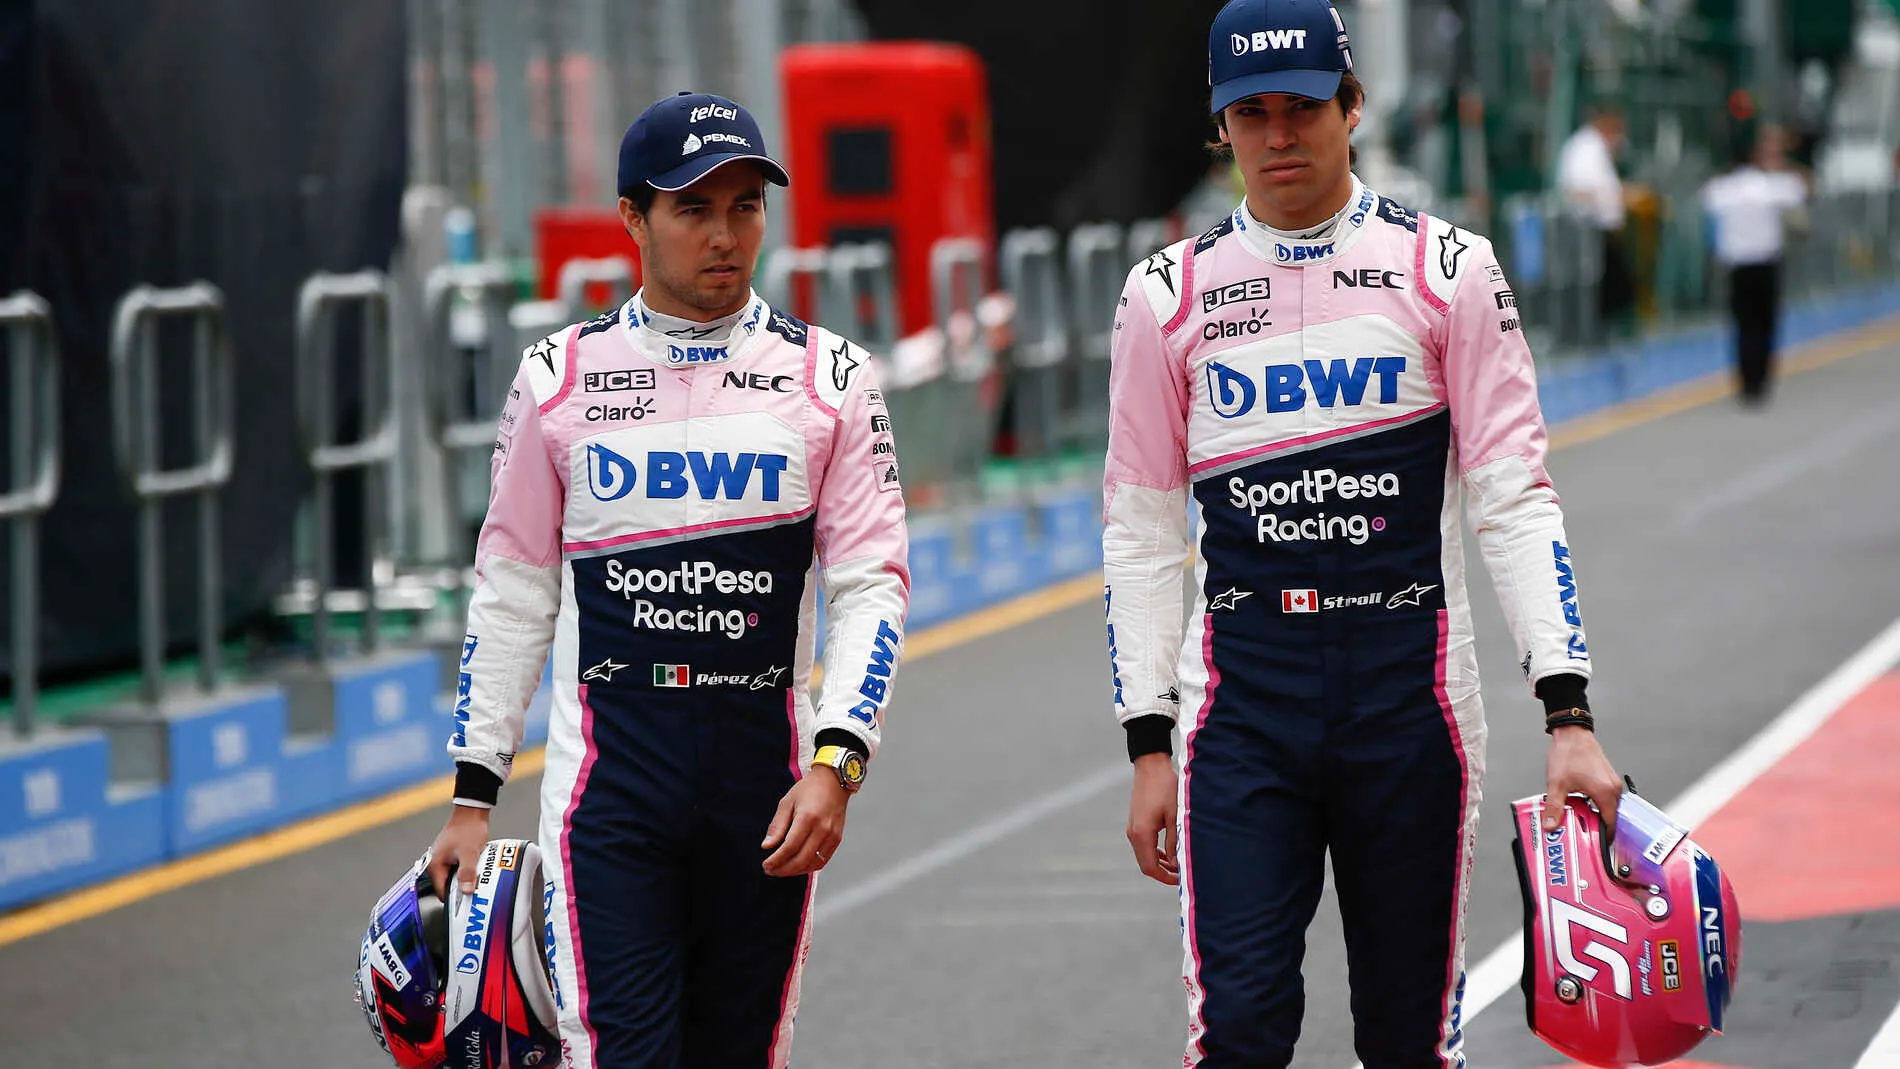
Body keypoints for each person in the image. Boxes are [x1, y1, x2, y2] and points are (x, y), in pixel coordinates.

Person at [1102, 2, 1624, 1066]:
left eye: (1303, 107)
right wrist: (1147, 738)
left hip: (1410, 696)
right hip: (1240, 707)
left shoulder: (1448, 270)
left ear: (1352, 108)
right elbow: (1141, 525)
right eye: (1251, 114)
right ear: (1220, 128)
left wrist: (1566, 709)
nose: (1279, 135)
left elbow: (1513, 495)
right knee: (1239, 1028)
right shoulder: (1164, 295)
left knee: (1406, 1040)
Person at [425, 90, 911, 1069]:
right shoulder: (556, 378)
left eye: (745, 206)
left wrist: (837, 763)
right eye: (693, 209)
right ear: (634, 220)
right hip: (613, 784)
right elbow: (513, 587)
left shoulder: (832, 379)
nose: (725, 235)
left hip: (764, 786)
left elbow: (871, 585)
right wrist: (473, 795)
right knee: (619, 1055)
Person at [1701, 123, 1807, 404]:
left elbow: (1707, 203)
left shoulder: (1721, 190)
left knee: (1743, 324)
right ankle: (1761, 378)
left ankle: (1746, 380)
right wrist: (1779, 164)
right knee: (1765, 323)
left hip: (1737, 265)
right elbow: (1799, 191)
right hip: (1765, 263)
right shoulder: (1769, 187)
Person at [1557, 101, 1637, 334]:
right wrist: (1616, 197)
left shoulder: (1599, 148)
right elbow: (1578, 191)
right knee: (1604, 287)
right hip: (1588, 233)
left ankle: (1607, 333)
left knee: (1617, 288)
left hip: (1603, 233)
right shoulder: (1584, 148)